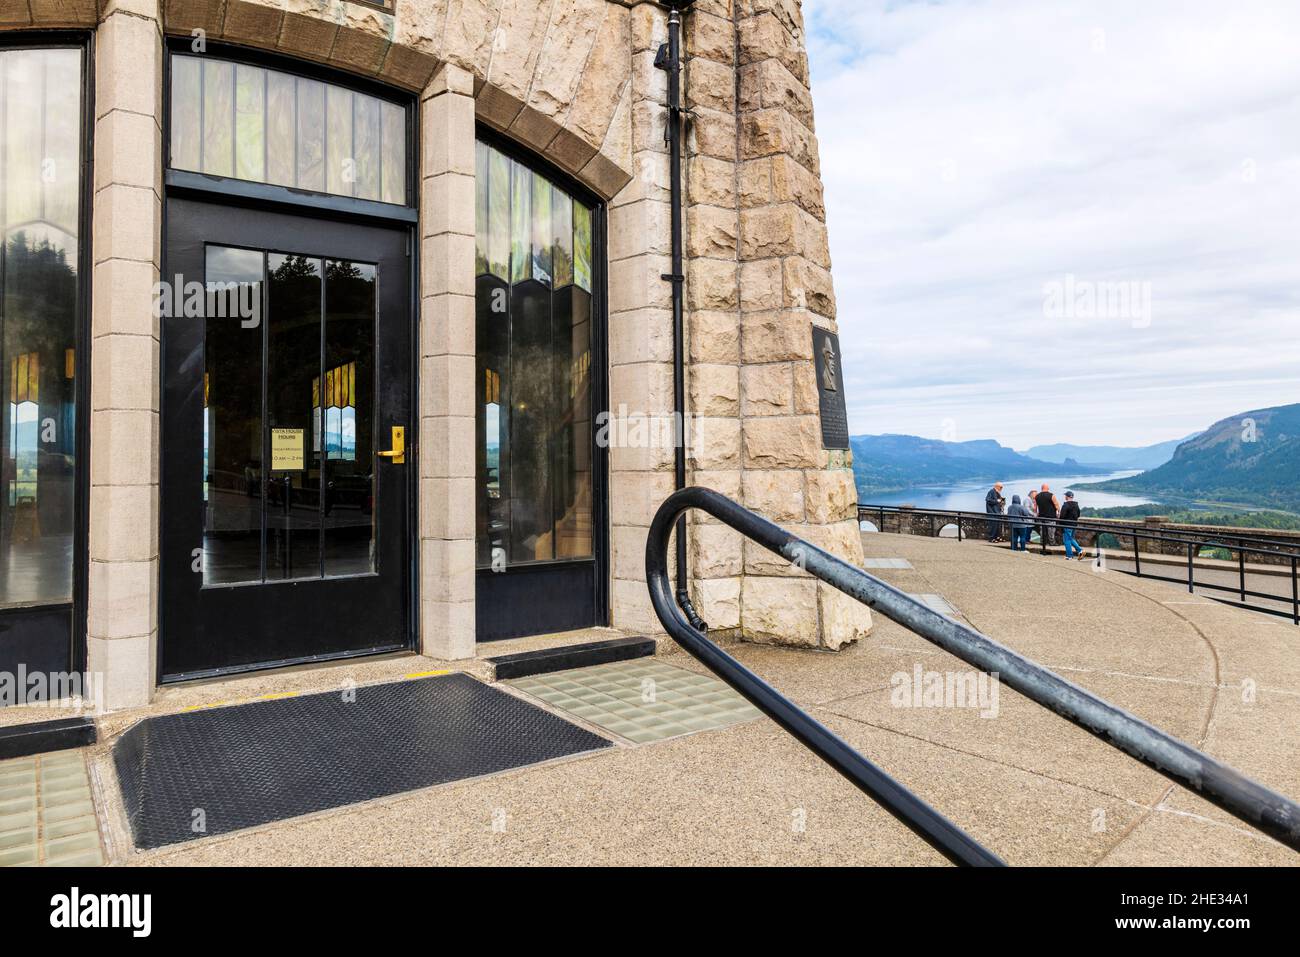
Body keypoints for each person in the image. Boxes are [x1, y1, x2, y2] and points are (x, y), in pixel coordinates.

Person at [1059, 490, 1083, 559]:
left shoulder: (1065, 505)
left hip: (1067, 525)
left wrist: (1061, 522)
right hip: (1074, 524)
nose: (1065, 497)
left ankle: (1069, 555)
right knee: (1071, 539)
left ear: (1067, 497)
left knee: (1067, 540)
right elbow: (1078, 515)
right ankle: (1080, 551)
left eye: (1065, 496)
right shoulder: (1076, 505)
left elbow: (1062, 516)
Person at [1034, 483, 1059, 549]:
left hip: (1041, 516)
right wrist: (1058, 512)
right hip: (1051, 516)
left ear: (1042, 488)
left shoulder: (1037, 496)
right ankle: (1052, 542)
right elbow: (1056, 505)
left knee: (1042, 530)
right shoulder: (1051, 495)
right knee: (1051, 530)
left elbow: (1035, 507)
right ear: (1047, 488)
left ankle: (1042, 542)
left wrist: (1036, 514)